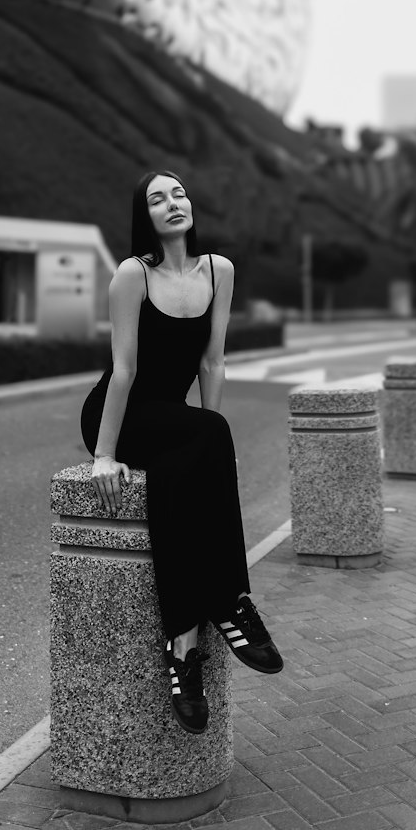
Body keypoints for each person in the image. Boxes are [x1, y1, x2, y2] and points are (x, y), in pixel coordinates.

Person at [80, 170, 283, 735]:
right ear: (143, 217)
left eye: (179, 193)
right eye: (156, 199)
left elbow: (211, 363)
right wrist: (104, 453)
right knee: (207, 437)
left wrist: (205, 425)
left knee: (188, 463)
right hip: (121, 414)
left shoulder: (220, 271)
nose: (172, 204)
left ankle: (183, 651)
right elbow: (124, 371)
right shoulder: (132, 275)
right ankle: (231, 601)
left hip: (172, 422)